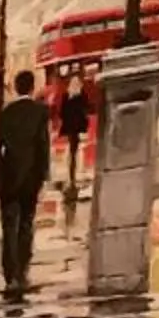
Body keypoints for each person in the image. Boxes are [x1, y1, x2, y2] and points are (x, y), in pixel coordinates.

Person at [0, 68, 53, 297]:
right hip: (30, 179)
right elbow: (42, 145)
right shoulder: (40, 112)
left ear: (16, 87)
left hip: (8, 179)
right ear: (31, 87)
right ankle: (22, 271)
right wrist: (43, 174)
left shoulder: (5, 114)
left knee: (8, 227)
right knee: (26, 225)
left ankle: (10, 274)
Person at [57, 74, 92, 227]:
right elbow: (86, 107)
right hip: (77, 125)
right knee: (74, 147)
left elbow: (62, 111)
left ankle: (71, 173)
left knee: (72, 147)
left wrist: (65, 120)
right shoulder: (81, 95)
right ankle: (72, 173)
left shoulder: (67, 95)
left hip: (71, 125)